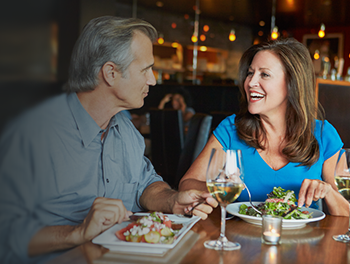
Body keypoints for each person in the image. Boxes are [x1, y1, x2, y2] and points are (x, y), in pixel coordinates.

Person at [0, 16, 217, 263]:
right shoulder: (34, 134)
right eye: (146, 69)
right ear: (111, 73)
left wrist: (172, 200)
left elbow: (145, 184)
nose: (153, 80)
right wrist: (77, 233)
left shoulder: (125, 128)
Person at [179, 38, 348, 216]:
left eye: (264, 74)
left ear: (292, 84)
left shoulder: (323, 135)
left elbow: (347, 211)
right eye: (250, 73)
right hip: (240, 240)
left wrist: (328, 192)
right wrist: (217, 187)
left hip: (302, 242)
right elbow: (188, 182)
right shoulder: (231, 130)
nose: (250, 83)